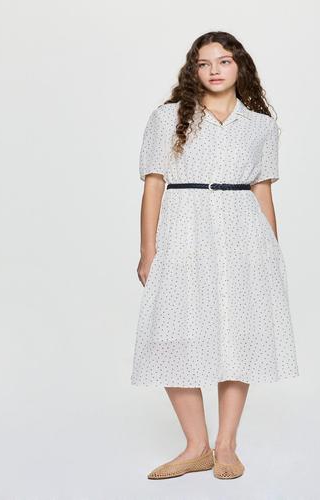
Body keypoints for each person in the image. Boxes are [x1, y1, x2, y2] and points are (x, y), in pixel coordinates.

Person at [131, 31, 299, 480]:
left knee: (237, 333)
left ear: (239, 65)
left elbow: (262, 191)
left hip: (244, 236)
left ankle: (226, 445)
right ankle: (195, 447)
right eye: (204, 64)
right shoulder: (168, 117)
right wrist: (148, 249)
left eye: (223, 61)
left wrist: (271, 253)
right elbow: (153, 184)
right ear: (194, 70)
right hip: (184, 233)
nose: (214, 71)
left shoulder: (260, 126)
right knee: (173, 333)